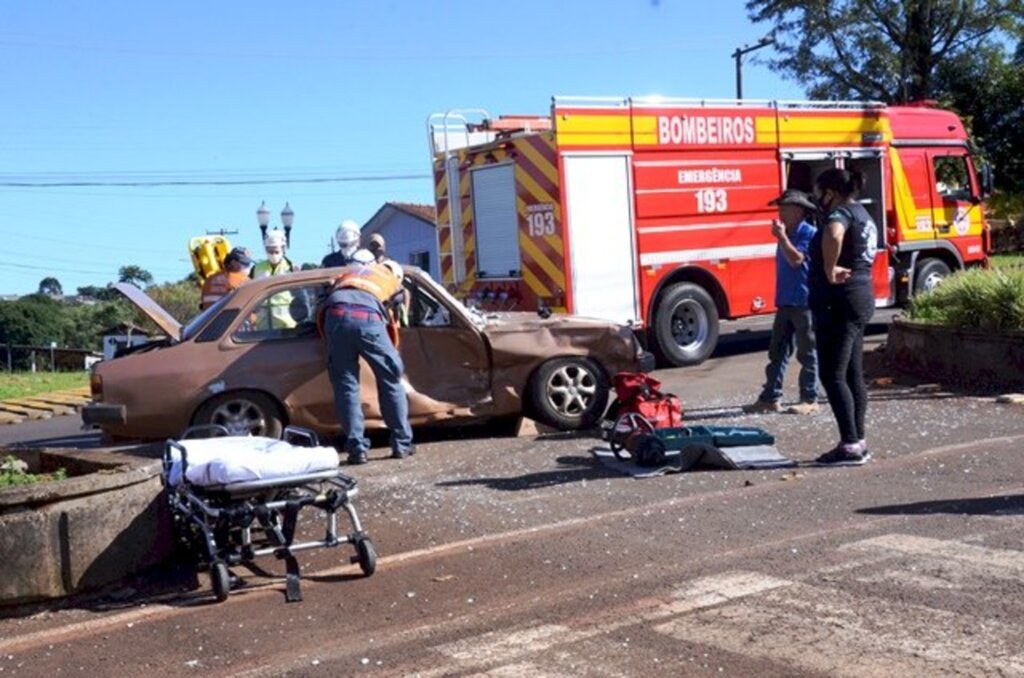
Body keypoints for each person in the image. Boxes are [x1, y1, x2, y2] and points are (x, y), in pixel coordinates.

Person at [807, 168, 878, 466]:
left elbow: (834, 234)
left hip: (839, 299)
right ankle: (857, 440)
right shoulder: (862, 213)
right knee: (851, 373)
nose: (817, 198)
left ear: (831, 193)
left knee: (832, 374)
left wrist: (828, 268)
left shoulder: (842, 214)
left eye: (819, 192)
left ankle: (850, 445)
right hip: (860, 295)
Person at [320, 259, 413, 465]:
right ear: (397, 274)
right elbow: (400, 317)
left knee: (347, 386)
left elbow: (327, 289)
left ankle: (357, 450)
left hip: (335, 316)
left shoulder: (351, 273)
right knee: (390, 378)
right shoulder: (391, 280)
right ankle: (401, 444)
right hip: (367, 318)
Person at [743, 189, 820, 415]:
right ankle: (770, 397)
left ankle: (810, 398)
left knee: (807, 353)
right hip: (786, 299)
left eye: (784, 208)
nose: (780, 213)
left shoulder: (809, 233)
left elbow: (797, 260)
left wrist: (782, 238)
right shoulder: (786, 233)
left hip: (804, 301)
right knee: (777, 352)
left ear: (798, 210)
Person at [251, 229, 296, 329]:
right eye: (269, 250)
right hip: (263, 325)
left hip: (287, 325)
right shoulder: (257, 268)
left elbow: (300, 294)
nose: (273, 254)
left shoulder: (291, 267)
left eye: (276, 250)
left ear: (283, 249)